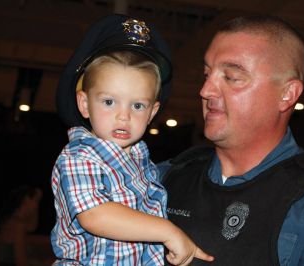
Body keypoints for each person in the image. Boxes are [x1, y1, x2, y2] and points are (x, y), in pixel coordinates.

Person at [159, 14, 304, 265]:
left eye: (231, 77)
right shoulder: (165, 177)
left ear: (287, 94)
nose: (205, 90)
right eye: (206, 74)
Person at [52, 14, 213, 265]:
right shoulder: (80, 155)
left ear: (153, 113)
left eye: (137, 105)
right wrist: (168, 231)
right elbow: (95, 216)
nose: (124, 116)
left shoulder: (142, 162)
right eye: (109, 102)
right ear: (84, 104)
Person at [0, 185, 43, 266]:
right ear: (26, 199)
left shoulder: (10, 220)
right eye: (36, 201)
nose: (36, 206)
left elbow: (32, 227)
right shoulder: (18, 225)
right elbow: (20, 262)